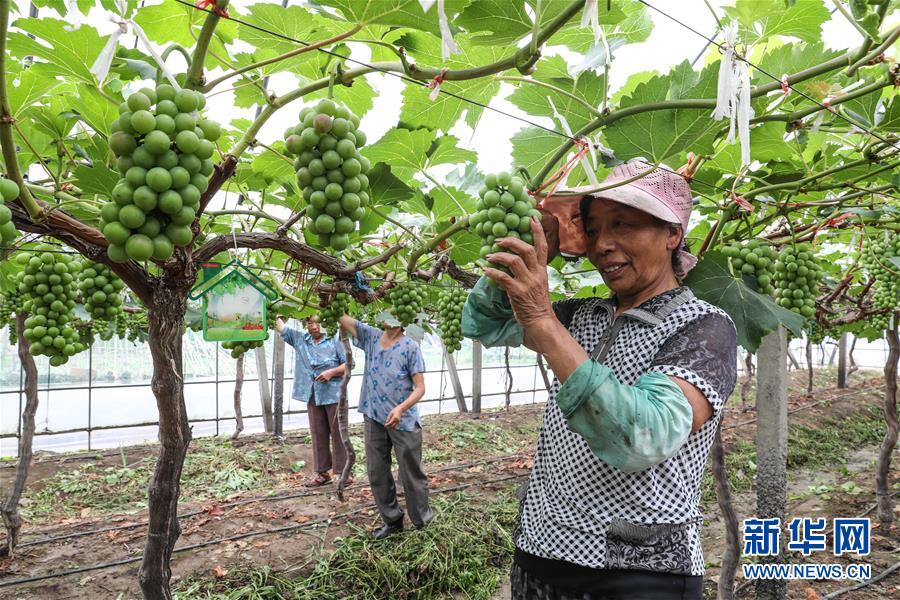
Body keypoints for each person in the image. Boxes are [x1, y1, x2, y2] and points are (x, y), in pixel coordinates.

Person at [462, 161, 738, 600]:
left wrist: (543, 321)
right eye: (592, 231)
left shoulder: (702, 326)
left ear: (671, 234)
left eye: (623, 225)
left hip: (636, 576)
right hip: (540, 555)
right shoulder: (582, 316)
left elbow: (641, 436)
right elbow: (486, 323)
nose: (603, 245)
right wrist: (530, 257)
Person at [337, 310, 433, 539]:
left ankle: (422, 523)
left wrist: (400, 409)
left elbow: (420, 387)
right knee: (377, 472)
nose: (387, 316)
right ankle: (392, 521)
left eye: (393, 312)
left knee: (411, 474)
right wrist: (332, 294)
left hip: (403, 421)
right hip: (373, 417)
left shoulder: (410, 347)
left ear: (402, 320)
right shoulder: (370, 337)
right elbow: (342, 317)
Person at [276, 315, 348, 487]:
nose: (314, 326)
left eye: (318, 322)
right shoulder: (300, 339)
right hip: (312, 394)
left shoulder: (336, 338)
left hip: (334, 394)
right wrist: (281, 311)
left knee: (338, 433)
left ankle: (344, 473)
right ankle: (323, 473)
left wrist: (331, 372)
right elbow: (280, 326)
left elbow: (349, 364)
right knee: (318, 433)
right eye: (310, 323)